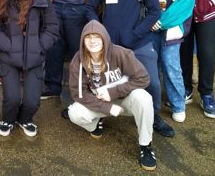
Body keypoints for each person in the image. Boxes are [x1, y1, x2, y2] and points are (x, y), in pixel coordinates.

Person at [86, 0, 175, 137]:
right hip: (111, 46)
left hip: (139, 43)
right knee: (103, 82)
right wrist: (99, 30)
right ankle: (99, 115)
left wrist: (136, 33)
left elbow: (154, 13)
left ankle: (154, 117)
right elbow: (89, 8)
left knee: (151, 81)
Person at [66, 20, 157, 171]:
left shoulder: (121, 53)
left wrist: (114, 92)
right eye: (88, 37)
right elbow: (78, 94)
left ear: (105, 38)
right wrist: (107, 108)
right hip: (100, 103)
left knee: (144, 98)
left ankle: (146, 146)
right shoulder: (78, 60)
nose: (93, 40)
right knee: (74, 113)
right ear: (83, 40)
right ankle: (95, 125)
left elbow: (143, 78)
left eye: (97, 36)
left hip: (126, 100)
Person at [0, 0, 59, 137]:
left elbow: (52, 27)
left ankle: (25, 119)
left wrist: (40, 45)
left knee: (32, 101)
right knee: (11, 98)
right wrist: (8, 46)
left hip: (35, 55)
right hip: (9, 55)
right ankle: (8, 119)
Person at [142, 0, 196, 123]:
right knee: (150, 65)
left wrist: (161, 22)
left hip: (171, 27)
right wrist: (151, 19)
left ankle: (178, 104)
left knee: (171, 65)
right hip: (151, 22)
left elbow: (185, 6)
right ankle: (150, 101)